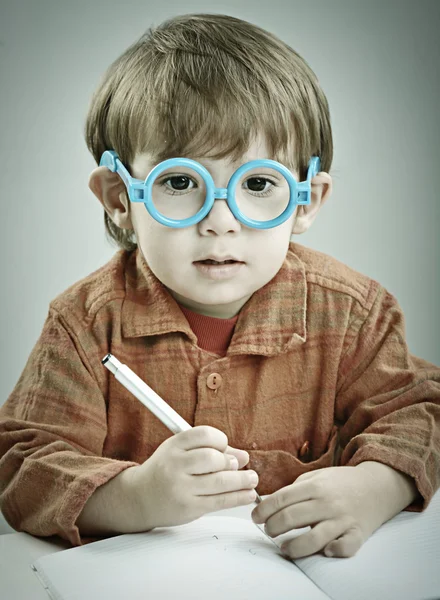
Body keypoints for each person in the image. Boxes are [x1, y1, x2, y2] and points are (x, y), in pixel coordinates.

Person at [0, 13, 439, 561]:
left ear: (306, 201)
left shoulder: (353, 312)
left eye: (258, 184)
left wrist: (377, 486)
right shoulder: (85, 324)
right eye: (181, 182)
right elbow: (22, 463)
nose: (220, 220)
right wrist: (134, 497)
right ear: (120, 198)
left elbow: (419, 412)